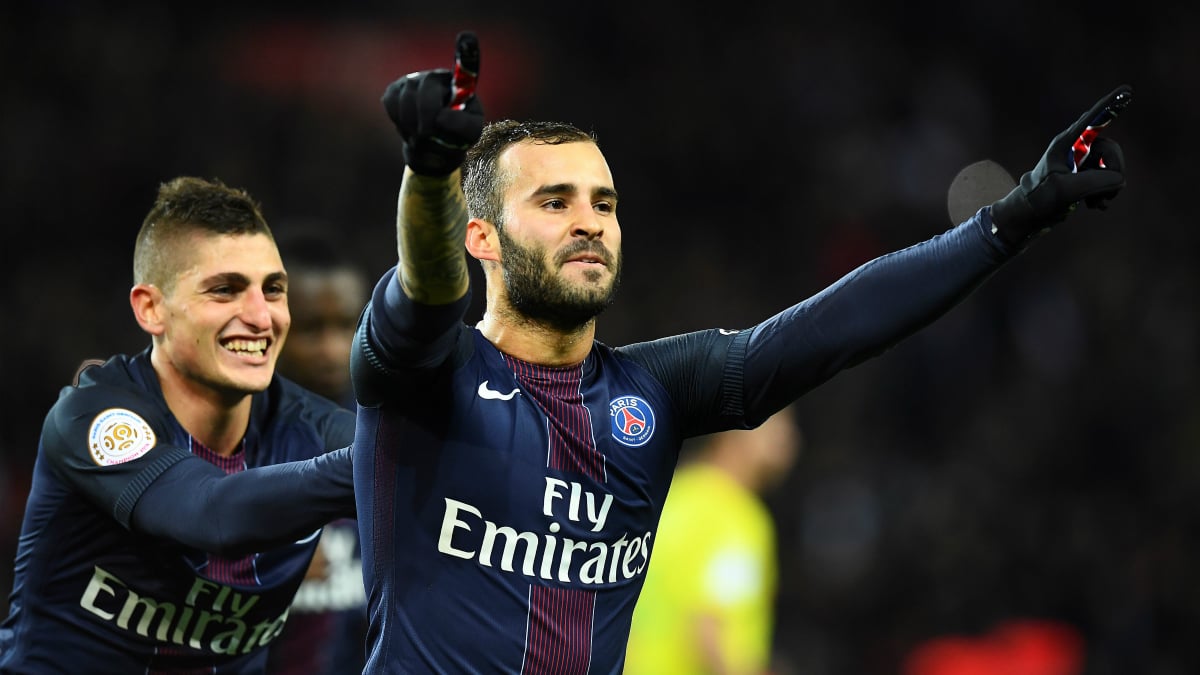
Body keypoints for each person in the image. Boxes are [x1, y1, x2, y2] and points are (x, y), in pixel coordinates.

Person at [350, 32, 1130, 673]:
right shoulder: (423, 379)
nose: (589, 221)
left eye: (605, 203)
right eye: (554, 202)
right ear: (480, 235)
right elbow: (425, 292)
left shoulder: (651, 392)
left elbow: (836, 325)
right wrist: (428, 176)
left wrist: (1013, 216)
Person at [0, 177, 357, 673]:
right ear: (152, 309)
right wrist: (373, 464)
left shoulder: (308, 426)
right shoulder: (94, 418)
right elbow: (210, 514)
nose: (261, 315)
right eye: (225, 290)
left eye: (273, 289)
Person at [624, 408, 803, 675]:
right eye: (776, 416)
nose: (790, 437)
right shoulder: (737, 518)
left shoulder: (672, 494)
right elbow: (708, 630)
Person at [269, 231, 370, 675]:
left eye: (348, 325)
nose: (333, 349)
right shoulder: (233, 440)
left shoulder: (392, 436)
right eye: (311, 329)